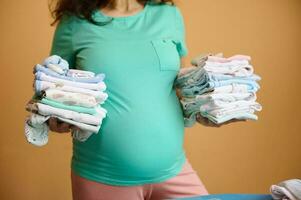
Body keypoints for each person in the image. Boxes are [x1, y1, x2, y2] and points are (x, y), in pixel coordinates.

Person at [47, 0, 244, 199]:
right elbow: (54, 91)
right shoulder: (74, 23)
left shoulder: (168, 15)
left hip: (173, 170)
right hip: (102, 176)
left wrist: (207, 110)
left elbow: (179, 88)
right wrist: (56, 119)